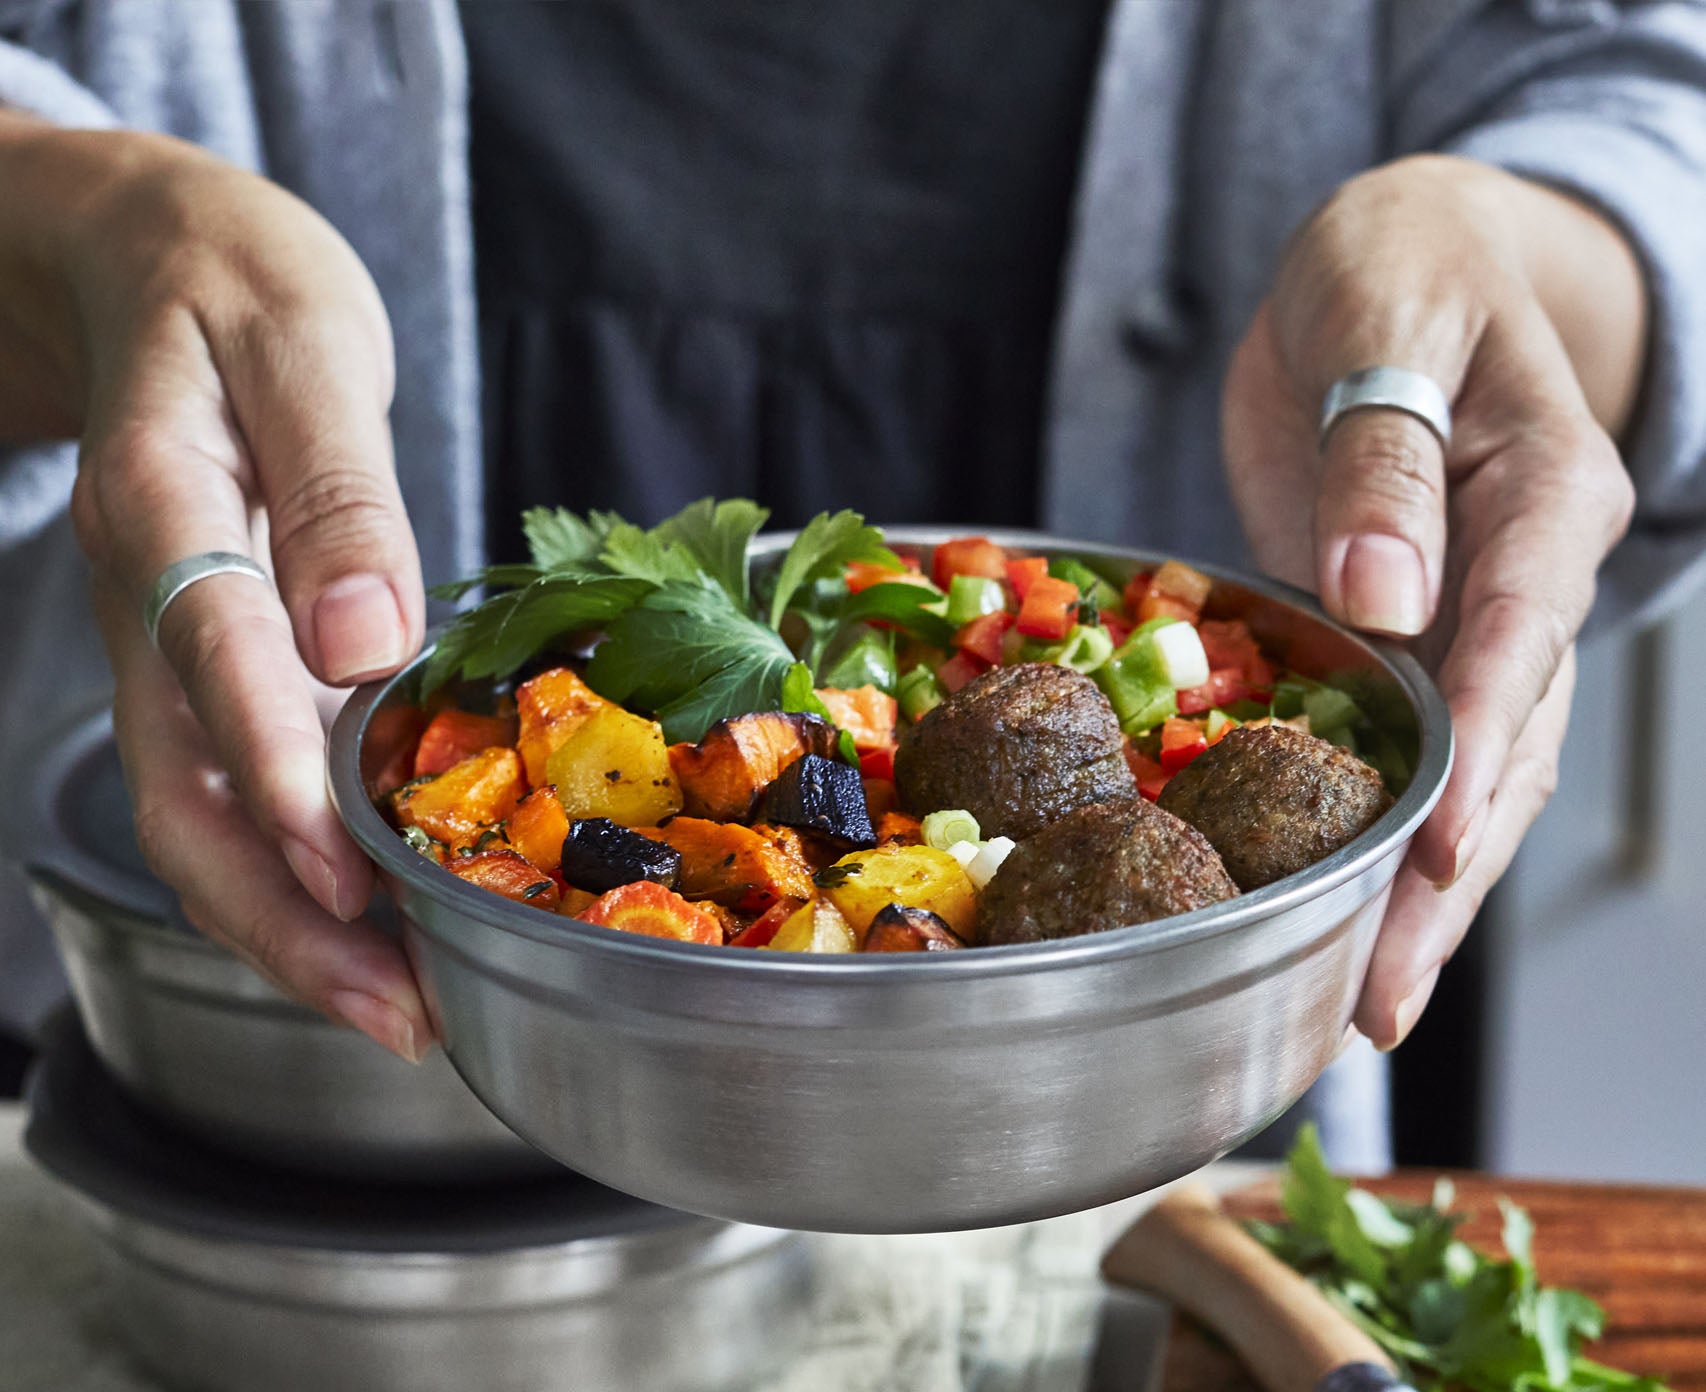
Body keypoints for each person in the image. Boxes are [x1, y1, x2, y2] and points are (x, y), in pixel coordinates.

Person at [0, 2, 1701, 1167]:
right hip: (318, 1183)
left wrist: (1516, 263)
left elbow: (1643, 101)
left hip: (1165, 1186)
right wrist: (91, 233)